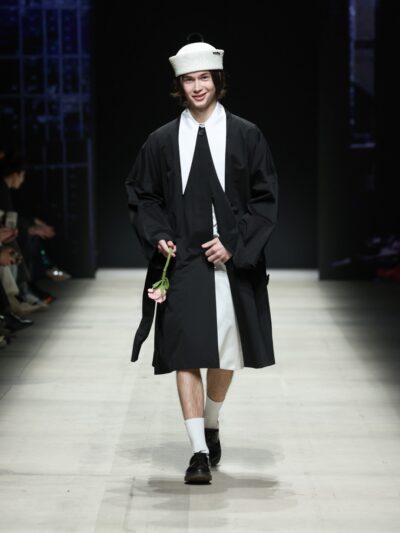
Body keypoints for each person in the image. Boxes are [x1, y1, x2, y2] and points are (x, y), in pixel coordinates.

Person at [125, 40, 279, 484]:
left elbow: (265, 198)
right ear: (180, 86)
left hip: (231, 260)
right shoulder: (161, 140)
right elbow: (142, 194)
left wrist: (234, 243)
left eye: (204, 78)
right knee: (186, 352)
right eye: (189, 80)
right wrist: (158, 234)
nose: (197, 87)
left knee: (226, 354)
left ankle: (211, 421)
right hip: (184, 259)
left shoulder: (247, 135)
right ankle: (197, 450)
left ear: (217, 81)